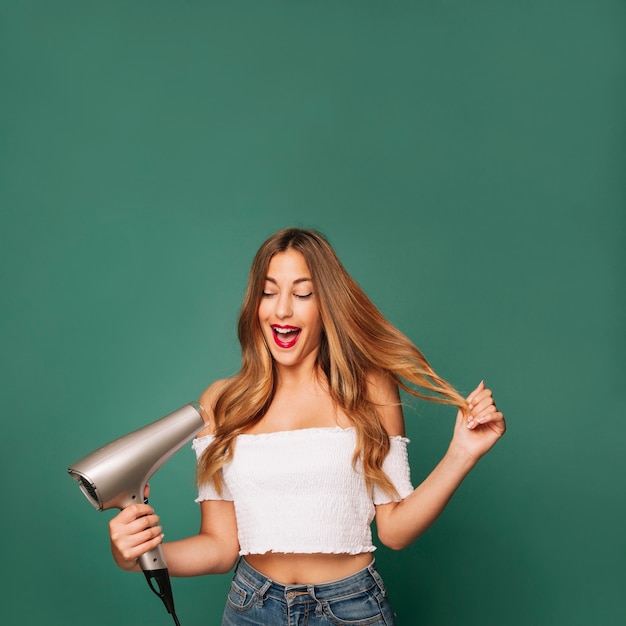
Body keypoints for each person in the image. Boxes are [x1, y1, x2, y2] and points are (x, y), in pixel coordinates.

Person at [108, 227, 506, 625]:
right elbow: (220, 547)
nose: (282, 310)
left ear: (326, 304)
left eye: (302, 294)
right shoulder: (222, 402)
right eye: (268, 292)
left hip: (351, 608)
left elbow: (395, 530)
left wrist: (461, 454)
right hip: (252, 607)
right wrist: (140, 558)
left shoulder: (370, 389)